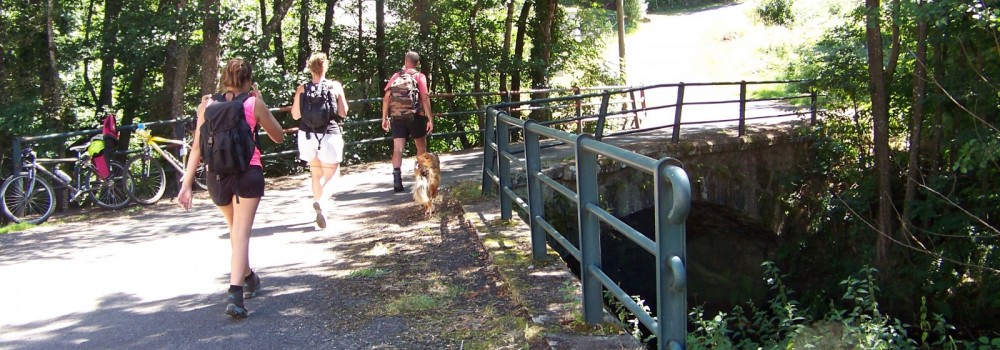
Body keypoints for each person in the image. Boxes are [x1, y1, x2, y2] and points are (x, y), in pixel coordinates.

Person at [177, 58, 285, 318]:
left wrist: (187, 184)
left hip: (217, 176)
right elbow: (279, 136)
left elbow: (197, 147)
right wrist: (261, 104)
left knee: (235, 232)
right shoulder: (253, 103)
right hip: (248, 172)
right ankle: (235, 294)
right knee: (241, 234)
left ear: (224, 78)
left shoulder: (207, 105)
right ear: (249, 80)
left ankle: (249, 277)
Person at [290, 53, 349, 228]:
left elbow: (295, 115)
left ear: (310, 68)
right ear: (325, 68)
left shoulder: (303, 88)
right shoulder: (335, 86)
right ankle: (322, 204)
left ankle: (319, 206)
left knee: (316, 174)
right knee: (332, 174)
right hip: (329, 134)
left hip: (307, 135)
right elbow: (343, 112)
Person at [381, 51, 433, 192]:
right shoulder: (419, 76)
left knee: (398, 149)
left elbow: (386, 97)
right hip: (416, 117)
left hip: (397, 117)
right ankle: (421, 177)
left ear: (405, 61)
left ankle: (397, 179)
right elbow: (425, 97)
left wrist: (384, 117)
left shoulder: (396, 76)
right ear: (417, 63)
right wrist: (429, 118)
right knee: (421, 147)